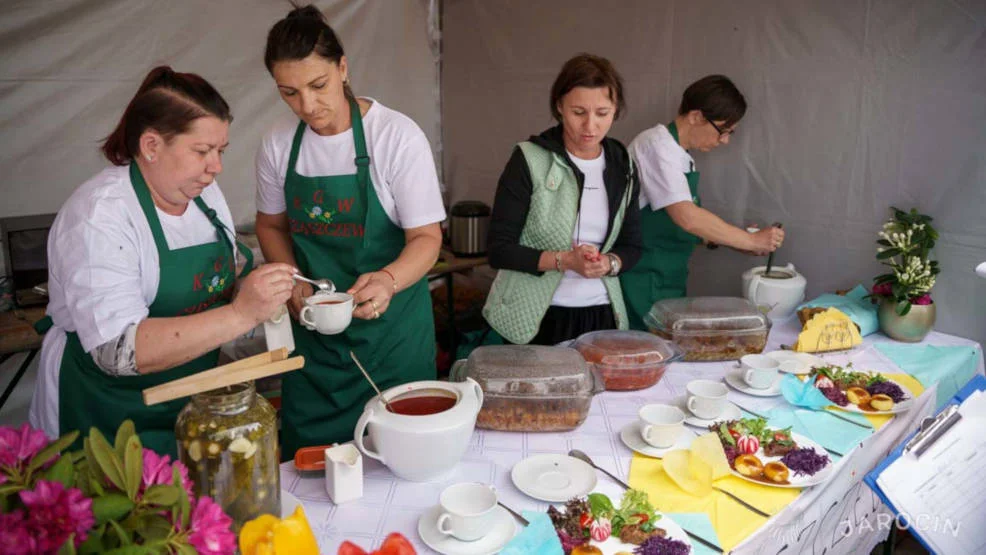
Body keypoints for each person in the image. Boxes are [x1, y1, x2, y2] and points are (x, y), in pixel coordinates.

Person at [28, 67, 296, 456]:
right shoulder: (100, 216)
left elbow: (227, 269)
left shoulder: (202, 194)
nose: (216, 167)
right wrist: (241, 315)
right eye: (202, 152)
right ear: (151, 145)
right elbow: (117, 351)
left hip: (191, 405)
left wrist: (258, 286)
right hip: (108, 418)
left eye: (221, 151)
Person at [255, 5, 445, 457]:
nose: (307, 106)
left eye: (318, 86)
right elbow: (270, 225)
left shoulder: (395, 137)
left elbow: (427, 238)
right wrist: (292, 281)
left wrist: (388, 280)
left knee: (400, 460)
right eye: (289, 93)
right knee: (312, 468)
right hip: (315, 352)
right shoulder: (278, 144)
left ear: (343, 68)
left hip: (392, 339)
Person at [483, 53, 642, 346]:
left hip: (602, 313)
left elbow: (633, 244)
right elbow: (499, 249)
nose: (590, 126)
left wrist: (609, 263)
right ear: (559, 107)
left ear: (615, 109)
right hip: (536, 317)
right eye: (578, 112)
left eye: (602, 113)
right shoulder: (529, 160)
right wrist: (565, 261)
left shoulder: (623, 165)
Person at [620, 75, 785, 330]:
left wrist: (735, 241)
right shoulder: (655, 146)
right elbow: (686, 217)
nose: (725, 140)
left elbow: (681, 226)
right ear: (696, 116)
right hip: (642, 278)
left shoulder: (683, 157)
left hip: (667, 278)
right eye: (723, 130)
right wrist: (750, 240)